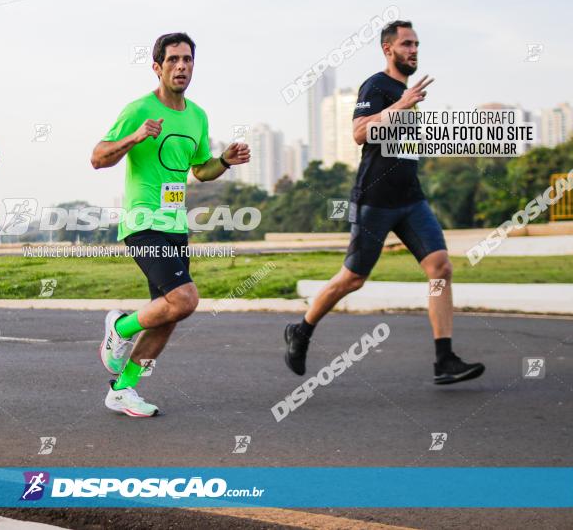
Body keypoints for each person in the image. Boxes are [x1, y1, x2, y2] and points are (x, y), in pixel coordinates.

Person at [284, 21, 484, 385]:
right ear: (387, 49)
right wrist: (402, 105)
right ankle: (302, 330)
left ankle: (444, 358)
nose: (413, 50)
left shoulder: (406, 91)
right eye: (406, 44)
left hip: (410, 199)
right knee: (353, 278)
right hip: (375, 200)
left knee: (440, 268)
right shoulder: (376, 85)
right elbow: (360, 133)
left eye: (417, 44)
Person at [91, 32, 251, 416]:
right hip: (143, 222)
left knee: (168, 312)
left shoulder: (197, 116)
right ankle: (121, 328)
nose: (182, 66)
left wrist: (225, 161)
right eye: (174, 60)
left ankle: (123, 390)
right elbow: (98, 158)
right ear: (157, 67)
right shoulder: (138, 109)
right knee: (185, 299)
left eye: (188, 60)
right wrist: (136, 135)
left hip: (175, 224)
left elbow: (200, 170)